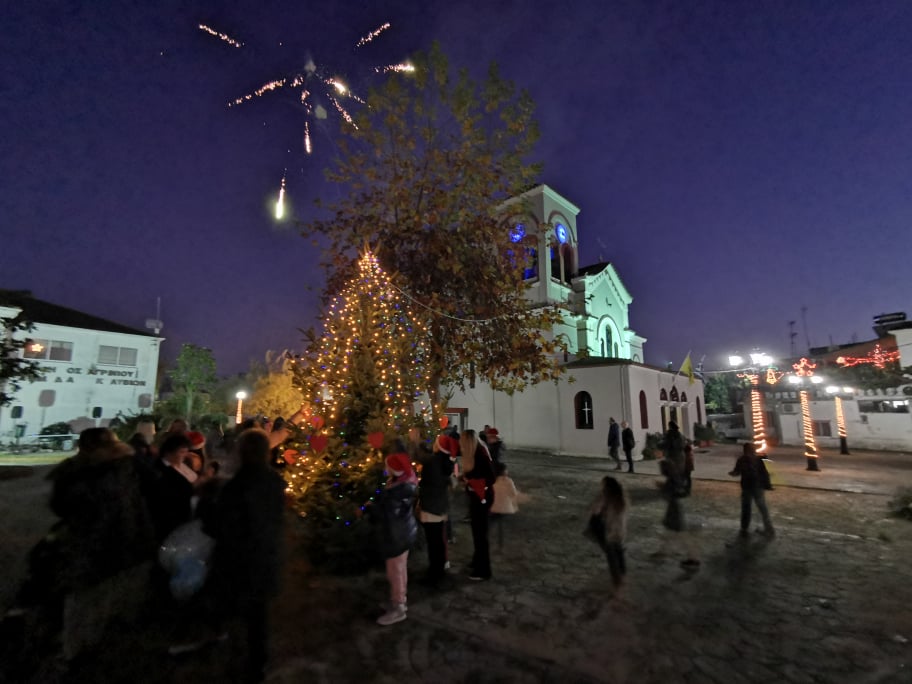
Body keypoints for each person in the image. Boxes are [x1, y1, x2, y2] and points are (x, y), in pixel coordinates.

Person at [207, 428, 286, 682]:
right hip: (265, 557)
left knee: (238, 616)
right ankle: (258, 664)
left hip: (238, 562)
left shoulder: (235, 488)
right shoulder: (275, 482)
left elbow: (220, 526)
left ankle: (241, 663)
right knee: (257, 617)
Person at [374, 450, 418, 625]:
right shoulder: (404, 481)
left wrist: (370, 509)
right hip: (404, 532)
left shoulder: (396, 493)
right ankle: (397, 600)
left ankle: (399, 608)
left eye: (388, 466)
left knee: (395, 572)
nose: (386, 468)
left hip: (397, 536)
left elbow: (386, 514)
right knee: (399, 569)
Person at [417, 434, 455, 588]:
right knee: (438, 540)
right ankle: (439, 569)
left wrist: (416, 442)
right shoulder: (445, 461)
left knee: (433, 542)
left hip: (431, 507)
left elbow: (421, 457)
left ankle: (434, 574)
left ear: (438, 446)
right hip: (441, 506)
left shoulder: (432, 462)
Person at [460, 429, 496, 581]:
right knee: (477, 531)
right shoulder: (475, 452)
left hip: (482, 498)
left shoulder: (480, 455)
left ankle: (483, 570)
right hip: (477, 497)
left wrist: (473, 482)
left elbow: (491, 477)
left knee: (480, 534)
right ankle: (477, 560)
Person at [586, 476, 628, 590]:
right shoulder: (621, 499)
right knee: (619, 553)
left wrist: (599, 499)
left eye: (603, 487)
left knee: (612, 557)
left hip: (610, 533)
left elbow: (595, 510)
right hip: (619, 532)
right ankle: (623, 577)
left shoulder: (608, 500)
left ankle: (618, 585)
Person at [729, 442, 775, 538]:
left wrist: (732, 473)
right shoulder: (759, 459)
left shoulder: (742, 459)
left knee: (746, 507)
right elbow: (767, 472)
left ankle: (744, 528)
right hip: (758, 486)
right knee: (762, 508)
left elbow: (736, 472)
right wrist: (768, 484)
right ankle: (769, 529)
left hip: (747, 486)